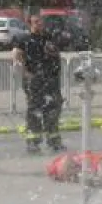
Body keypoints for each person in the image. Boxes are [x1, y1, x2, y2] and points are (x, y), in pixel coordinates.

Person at [13, 15, 64, 153]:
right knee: (34, 110)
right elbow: (17, 57)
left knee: (53, 109)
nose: (39, 24)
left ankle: (54, 140)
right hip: (34, 80)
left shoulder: (48, 38)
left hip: (51, 80)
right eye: (36, 22)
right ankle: (33, 142)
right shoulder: (24, 40)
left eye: (41, 21)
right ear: (29, 24)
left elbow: (56, 55)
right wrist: (26, 73)